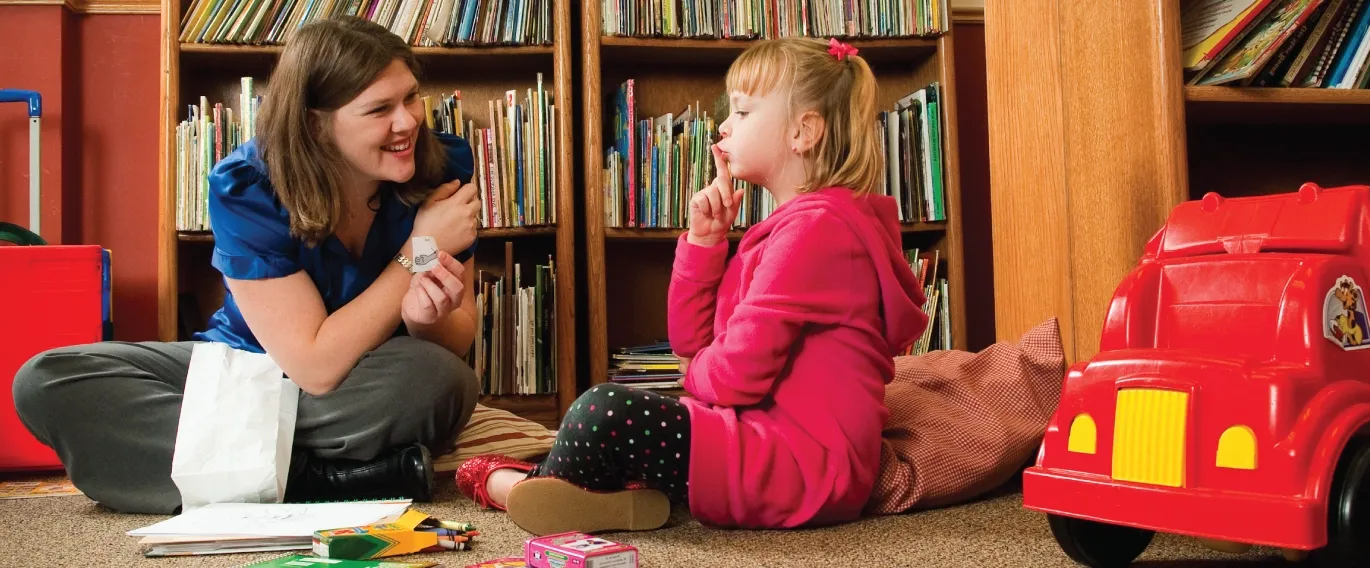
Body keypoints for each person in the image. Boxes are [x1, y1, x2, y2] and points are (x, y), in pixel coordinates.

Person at [457, 36, 929, 535]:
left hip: (797, 466)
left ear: (803, 131)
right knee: (611, 415)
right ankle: (584, 495)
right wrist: (705, 242)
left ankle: (517, 488)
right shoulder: (789, 229)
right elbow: (691, 344)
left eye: (743, 112)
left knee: (601, 409)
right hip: (763, 445)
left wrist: (693, 380)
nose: (724, 125)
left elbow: (731, 376)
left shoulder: (817, 231)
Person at [11, 16, 483, 515]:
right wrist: (418, 250)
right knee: (46, 381)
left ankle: (231, 470)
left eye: (410, 97)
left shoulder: (442, 167)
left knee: (440, 379)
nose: (408, 121)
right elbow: (314, 365)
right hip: (247, 368)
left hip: (371, 377)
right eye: (379, 109)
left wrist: (425, 319)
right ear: (314, 123)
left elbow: (454, 339)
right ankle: (319, 480)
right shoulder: (246, 185)